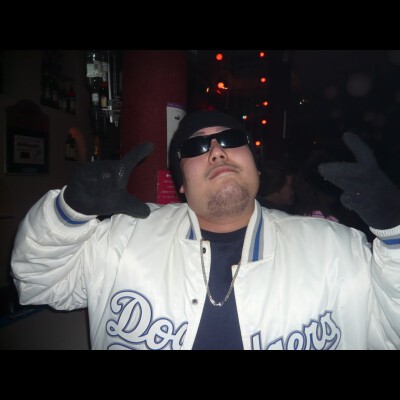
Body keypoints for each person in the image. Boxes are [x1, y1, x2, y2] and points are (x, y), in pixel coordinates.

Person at [10, 110, 400, 350]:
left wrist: (394, 230)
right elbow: (39, 283)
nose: (216, 151)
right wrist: (70, 211)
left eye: (230, 139)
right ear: (180, 183)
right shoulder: (123, 238)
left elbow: (391, 333)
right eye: (195, 148)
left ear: (256, 166)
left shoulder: (334, 249)